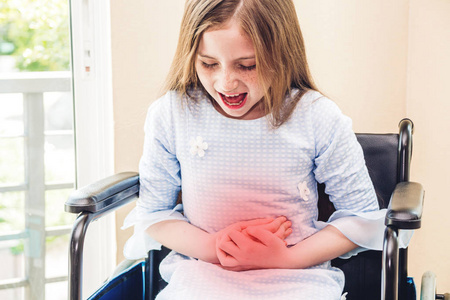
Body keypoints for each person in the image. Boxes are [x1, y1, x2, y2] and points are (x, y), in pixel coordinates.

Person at [122, 0, 410, 299]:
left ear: (282, 54)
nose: (226, 82)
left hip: (298, 280)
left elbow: (361, 221)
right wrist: (217, 247)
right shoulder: (172, 114)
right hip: (203, 278)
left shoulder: (316, 116)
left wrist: (285, 258)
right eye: (208, 63)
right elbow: (154, 214)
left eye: (247, 65)